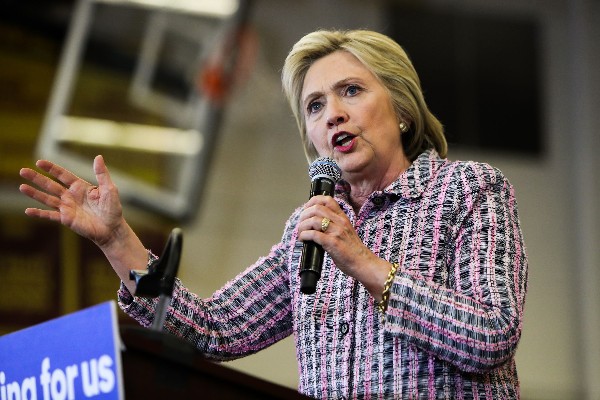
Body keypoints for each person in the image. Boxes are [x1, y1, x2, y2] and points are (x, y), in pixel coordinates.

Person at [19, 29, 528, 399]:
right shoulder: (309, 227)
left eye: (350, 91)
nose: (333, 114)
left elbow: (493, 334)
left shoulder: (468, 190)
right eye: (314, 106)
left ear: (400, 106)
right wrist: (116, 240)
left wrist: (366, 264)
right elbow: (217, 328)